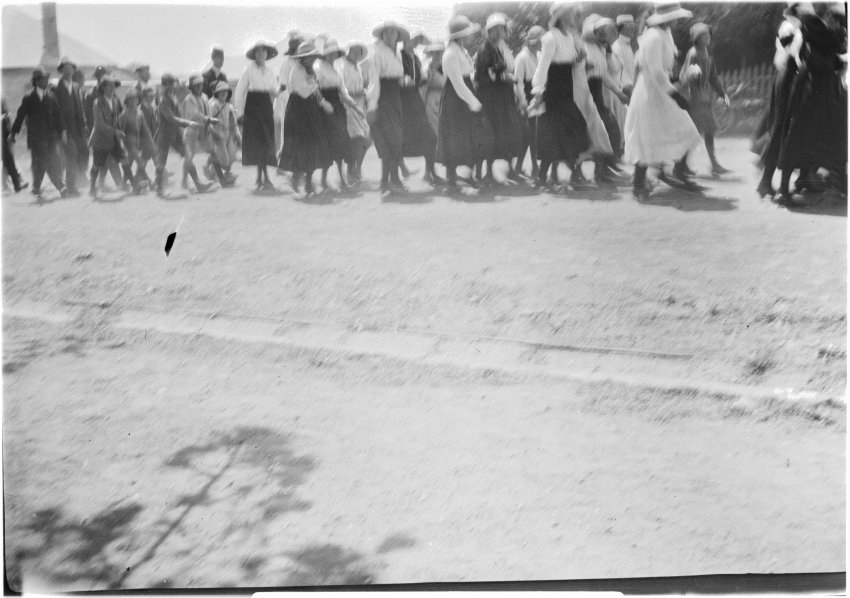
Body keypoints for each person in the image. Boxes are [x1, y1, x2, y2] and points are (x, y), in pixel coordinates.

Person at [624, 1, 703, 199]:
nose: (679, 20)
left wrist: (681, 79)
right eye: (676, 17)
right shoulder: (653, 36)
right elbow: (656, 73)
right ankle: (638, 185)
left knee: (686, 129)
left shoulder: (665, 33)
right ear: (667, 17)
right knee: (647, 136)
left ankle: (677, 172)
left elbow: (665, 72)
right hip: (650, 93)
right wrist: (675, 95)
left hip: (662, 91)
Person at [775, 5, 847, 204]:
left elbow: (791, 47)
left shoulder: (813, 32)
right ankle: (788, 188)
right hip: (817, 91)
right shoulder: (824, 33)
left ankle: (791, 186)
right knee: (810, 137)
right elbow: (835, 59)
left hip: (810, 89)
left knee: (801, 137)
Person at [529, 2, 591, 190]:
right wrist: (538, 92)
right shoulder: (549, 38)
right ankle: (558, 177)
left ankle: (552, 177)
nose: (574, 16)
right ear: (562, 16)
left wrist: (579, 60)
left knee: (566, 133)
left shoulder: (570, 38)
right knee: (559, 133)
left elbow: (570, 64)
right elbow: (542, 68)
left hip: (566, 90)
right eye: (571, 13)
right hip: (553, 92)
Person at [436, 15, 494, 193]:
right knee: (454, 136)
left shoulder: (462, 51)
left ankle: (469, 175)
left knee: (471, 135)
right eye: (467, 33)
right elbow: (458, 84)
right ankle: (451, 179)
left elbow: (468, 76)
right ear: (460, 35)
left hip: (465, 94)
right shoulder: (450, 53)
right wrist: (474, 103)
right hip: (455, 99)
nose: (470, 36)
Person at [474, 12, 525, 185]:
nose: (498, 33)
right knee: (489, 135)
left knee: (503, 134)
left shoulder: (498, 48)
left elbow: (500, 71)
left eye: (501, 29)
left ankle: (501, 171)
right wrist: (506, 77)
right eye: (494, 30)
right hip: (489, 98)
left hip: (501, 98)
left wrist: (506, 77)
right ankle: (483, 174)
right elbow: (488, 76)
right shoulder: (485, 50)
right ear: (489, 32)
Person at [279, 40, 332, 196]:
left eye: (314, 57)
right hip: (297, 110)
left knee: (313, 145)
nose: (313, 59)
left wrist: (321, 100)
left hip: (310, 109)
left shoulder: (311, 71)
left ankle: (308, 183)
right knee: (301, 147)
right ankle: (297, 179)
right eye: (310, 57)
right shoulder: (296, 71)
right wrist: (318, 92)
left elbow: (314, 90)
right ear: (302, 58)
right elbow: (304, 91)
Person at [583, 15, 630, 183]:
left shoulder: (600, 49)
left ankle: (604, 169)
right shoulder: (586, 47)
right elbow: (583, 73)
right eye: (610, 36)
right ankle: (600, 171)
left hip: (596, 93)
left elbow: (603, 75)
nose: (610, 42)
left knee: (611, 129)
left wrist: (619, 93)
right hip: (586, 91)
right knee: (601, 131)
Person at [679, 23, 731, 176]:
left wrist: (722, 92)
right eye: (703, 35)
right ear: (696, 38)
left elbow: (713, 76)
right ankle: (680, 165)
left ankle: (712, 164)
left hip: (704, 99)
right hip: (694, 99)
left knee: (708, 130)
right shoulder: (693, 53)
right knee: (694, 132)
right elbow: (686, 75)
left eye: (708, 35)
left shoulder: (707, 54)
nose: (707, 38)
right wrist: (693, 79)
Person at [10, 67, 68, 197]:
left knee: (45, 162)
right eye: (43, 79)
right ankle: (61, 186)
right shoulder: (29, 98)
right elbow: (20, 116)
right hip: (36, 139)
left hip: (50, 137)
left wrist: (63, 131)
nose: (46, 81)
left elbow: (58, 116)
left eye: (47, 79)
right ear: (36, 81)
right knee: (46, 161)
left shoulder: (51, 97)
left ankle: (36, 187)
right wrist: (13, 133)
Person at [365, 20, 408, 196]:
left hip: (395, 97)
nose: (390, 35)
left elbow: (396, 75)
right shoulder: (378, 52)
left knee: (394, 139)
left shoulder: (396, 53)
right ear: (382, 35)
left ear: (398, 35)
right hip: (384, 98)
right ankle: (394, 181)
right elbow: (374, 80)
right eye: (387, 32)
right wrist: (373, 105)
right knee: (391, 140)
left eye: (393, 32)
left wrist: (403, 80)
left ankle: (385, 182)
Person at [316, 38, 362, 191]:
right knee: (328, 145)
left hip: (338, 109)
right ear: (324, 54)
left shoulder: (335, 70)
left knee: (341, 143)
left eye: (335, 53)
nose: (332, 56)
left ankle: (341, 179)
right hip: (325, 109)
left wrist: (354, 105)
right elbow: (314, 90)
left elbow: (343, 91)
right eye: (329, 53)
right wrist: (323, 103)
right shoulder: (318, 68)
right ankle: (323, 181)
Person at [234, 40, 280, 191]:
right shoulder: (249, 70)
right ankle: (263, 178)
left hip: (266, 106)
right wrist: (240, 113)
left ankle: (261, 178)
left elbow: (275, 89)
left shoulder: (270, 70)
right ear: (254, 54)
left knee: (266, 141)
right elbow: (239, 91)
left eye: (263, 51)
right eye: (258, 52)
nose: (261, 54)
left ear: (267, 54)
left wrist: (281, 90)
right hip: (253, 107)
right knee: (258, 142)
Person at [153, 72, 206, 197]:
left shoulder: (173, 96)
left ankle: (198, 183)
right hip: (165, 135)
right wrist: (188, 123)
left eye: (173, 84)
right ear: (164, 85)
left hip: (175, 134)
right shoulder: (163, 100)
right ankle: (159, 189)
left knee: (187, 156)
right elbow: (171, 118)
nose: (172, 86)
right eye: (169, 84)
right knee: (161, 163)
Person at [400, 28, 441, 186]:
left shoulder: (416, 58)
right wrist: (404, 80)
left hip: (415, 101)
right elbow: (398, 77)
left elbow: (418, 81)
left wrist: (426, 78)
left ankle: (429, 173)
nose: (416, 43)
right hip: (403, 102)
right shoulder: (399, 56)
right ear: (405, 40)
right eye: (414, 40)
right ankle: (398, 173)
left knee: (429, 137)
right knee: (400, 139)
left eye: (418, 40)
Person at [182, 73, 230, 189]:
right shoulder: (189, 99)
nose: (199, 87)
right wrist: (209, 119)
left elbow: (208, 113)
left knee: (212, 153)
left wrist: (211, 128)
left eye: (200, 84)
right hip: (192, 132)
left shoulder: (204, 97)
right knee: (189, 156)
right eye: (196, 85)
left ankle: (222, 179)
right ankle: (184, 180)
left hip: (204, 131)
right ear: (191, 87)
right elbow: (194, 115)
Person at [84, 65, 123, 190]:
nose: (102, 77)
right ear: (96, 78)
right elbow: (89, 116)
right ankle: (115, 183)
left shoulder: (112, 92)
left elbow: (119, 111)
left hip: (112, 132)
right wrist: (95, 131)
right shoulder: (90, 94)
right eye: (99, 76)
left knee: (108, 159)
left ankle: (102, 183)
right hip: (99, 132)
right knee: (104, 159)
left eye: (103, 75)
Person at [337, 41, 372, 183]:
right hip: (348, 107)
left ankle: (357, 167)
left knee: (367, 139)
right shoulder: (342, 67)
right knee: (357, 139)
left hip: (360, 107)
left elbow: (363, 86)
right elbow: (341, 90)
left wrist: (364, 93)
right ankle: (351, 170)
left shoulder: (358, 68)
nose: (357, 54)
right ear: (348, 51)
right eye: (354, 51)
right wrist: (358, 92)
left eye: (359, 52)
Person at [514, 25, 544, 180]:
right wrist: (523, 102)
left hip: (536, 95)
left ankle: (519, 168)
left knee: (531, 135)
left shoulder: (538, 55)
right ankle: (534, 169)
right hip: (526, 96)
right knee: (530, 135)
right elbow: (517, 83)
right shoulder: (522, 57)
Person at [55, 56, 86, 196]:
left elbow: (79, 108)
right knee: (72, 154)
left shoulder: (76, 86)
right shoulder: (57, 87)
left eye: (71, 68)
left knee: (75, 155)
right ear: (61, 70)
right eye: (66, 68)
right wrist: (62, 130)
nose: (69, 71)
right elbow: (56, 110)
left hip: (76, 128)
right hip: (63, 129)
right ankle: (71, 187)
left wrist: (82, 126)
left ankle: (72, 184)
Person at [118, 88, 155, 193]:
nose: (134, 101)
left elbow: (145, 130)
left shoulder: (139, 113)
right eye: (131, 99)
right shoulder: (124, 114)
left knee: (129, 165)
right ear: (127, 101)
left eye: (135, 99)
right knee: (140, 163)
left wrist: (151, 143)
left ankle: (124, 184)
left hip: (137, 143)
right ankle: (148, 182)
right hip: (128, 144)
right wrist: (121, 146)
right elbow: (120, 131)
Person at [275, 32, 304, 160]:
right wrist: (291, 101)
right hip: (288, 102)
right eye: (298, 48)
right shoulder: (287, 64)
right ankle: (284, 157)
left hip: (301, 102)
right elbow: (283, 85)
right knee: (288, 132)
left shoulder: (302, 63)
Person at [611, 14, 637, 148]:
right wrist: (629, 88)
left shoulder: (627, 45)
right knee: (625, 121)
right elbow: (619, 73)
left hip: (630, 87)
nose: (632, 29)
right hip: (622, 90)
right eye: (629, 27)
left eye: (633, 26)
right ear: (621, 28)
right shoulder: (617, 47)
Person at [209, 81, 241, 180]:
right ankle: (212, 171)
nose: (223, 94)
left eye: (225, 92)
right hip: (218, 133)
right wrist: (214, 132)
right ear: (217, 93)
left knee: (232, 155)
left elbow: (233, 122)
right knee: (223, 157)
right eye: (221, 92)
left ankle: (225, 173)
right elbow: (210, 121)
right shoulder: (214, 105)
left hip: (227, 134)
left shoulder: (229, 106)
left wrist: (237, 134)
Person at [2, 98, 28, 192]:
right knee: (9, 165)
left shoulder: (5, 116)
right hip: (5, 144)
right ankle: (16, 184)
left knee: (8, 165)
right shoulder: (5, 117)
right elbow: (9, 130)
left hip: (5, 144)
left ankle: (14, 183)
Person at [421, 41, 445, 137]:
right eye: (435, 53)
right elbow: (424, 83)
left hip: (443, 96)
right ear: (431, 54)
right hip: (431, 98)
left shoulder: (446, 67)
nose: (437, 56)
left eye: (439, 53)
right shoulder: (427, 68)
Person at [71, 69, 90, 183]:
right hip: (75, 127)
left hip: (81, 126)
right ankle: (79, 176)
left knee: (84, 151)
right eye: (83, 78)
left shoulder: (81, 92)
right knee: (79, 151)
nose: (84, 81)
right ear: (78, 79)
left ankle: (81, 174)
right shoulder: (73, 91)